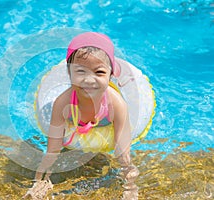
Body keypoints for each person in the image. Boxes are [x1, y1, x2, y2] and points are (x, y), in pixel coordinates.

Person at [23, 32, 139, 199]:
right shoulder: (63, 104)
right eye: (81, 72)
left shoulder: (117, 105)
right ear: (69, 74)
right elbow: (53, 148)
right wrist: (41, 180)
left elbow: (123, 150)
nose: (89, 80)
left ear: (110, 75)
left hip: (104, 119)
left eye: (99, 72)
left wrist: (130, 186)